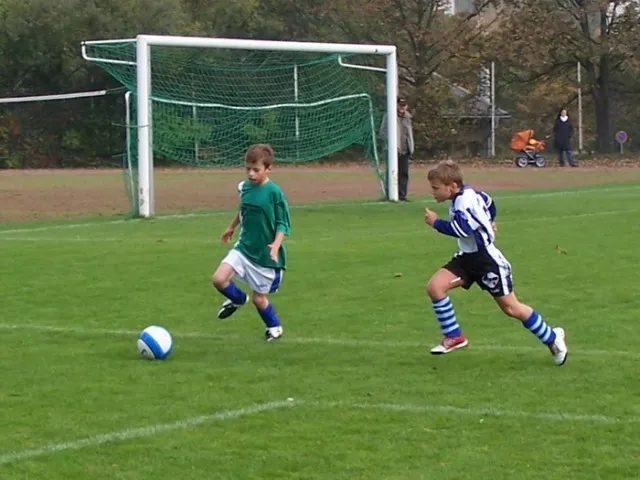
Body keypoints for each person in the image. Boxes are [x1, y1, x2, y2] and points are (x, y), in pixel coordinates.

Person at [422, 160, 568, 366]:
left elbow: (462, 229)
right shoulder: (469, 194)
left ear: (452, 186)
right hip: (467, 258)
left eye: (436, 188)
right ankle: (454, 336)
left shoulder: (464, 202)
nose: (433, 192)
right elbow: (489, 202)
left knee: (511, 308)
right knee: (435, 287)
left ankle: (553, 338)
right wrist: (489, 221)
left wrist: (436, 222)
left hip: (487, 262)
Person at [211, 143, 291, 341]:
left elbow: (283, 223)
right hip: (244, 248)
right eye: (248, 169)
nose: (251, 174)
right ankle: (238, 299)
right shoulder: (244, 187)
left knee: (259, 298)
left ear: (268, 168)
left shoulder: (274, 193)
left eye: (256, 170)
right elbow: (244, 210)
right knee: (219, 279)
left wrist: (276, 245)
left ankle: (274, 327)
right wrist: (231, 227)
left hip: (265, 255)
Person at [379, 97, 414, 201]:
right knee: (392, 172)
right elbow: (382, 132)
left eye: (404, 105)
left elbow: (409, 133)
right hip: (392, 150)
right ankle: (390, 194)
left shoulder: (408, 117)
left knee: (404, 173)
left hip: (405, 149)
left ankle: (402, 195)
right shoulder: (389, 116)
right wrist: (391, 143)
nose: (402, 107)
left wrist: (410, 147)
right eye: (400, 105)